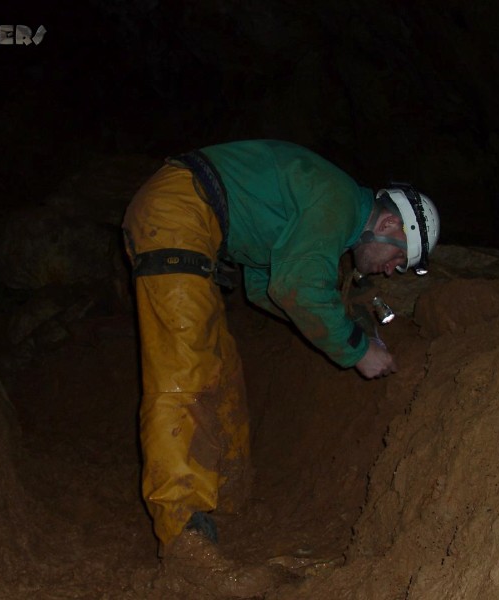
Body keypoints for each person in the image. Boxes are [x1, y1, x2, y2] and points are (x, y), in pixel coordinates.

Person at [122, 139, 439, 561]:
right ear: (387, 226)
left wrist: (337, 322)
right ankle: (184, 531)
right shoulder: (339, 201)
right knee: (184, 369)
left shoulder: (327, 212)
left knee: (222, 373)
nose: (389, 271)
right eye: (396, 261)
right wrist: (357, 349)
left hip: (196, 222)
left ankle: (226, 501)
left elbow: (266, 288)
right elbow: (296, 289)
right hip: (180, 210)